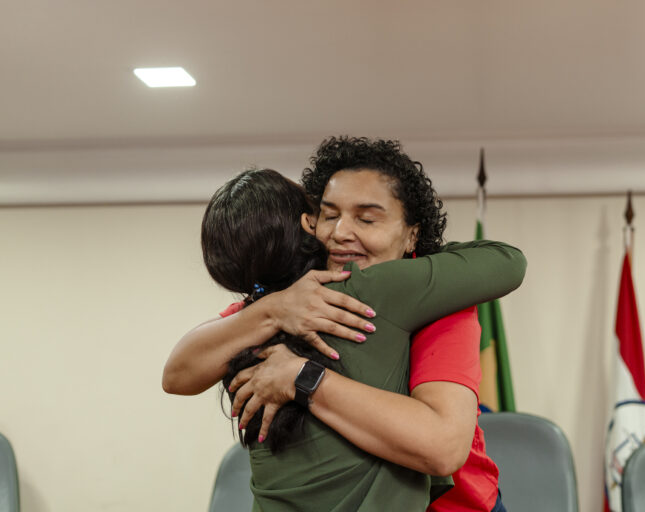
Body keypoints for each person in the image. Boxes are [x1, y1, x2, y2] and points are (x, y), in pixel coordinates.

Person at [163, 137, 526, 511]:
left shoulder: (441, 301)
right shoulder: (294, 298)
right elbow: (178, 373)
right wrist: (275, 309)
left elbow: (442, 448)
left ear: (411, 234)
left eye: (367, 219)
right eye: (329, 215)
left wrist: (300, 377)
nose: (340, 233)